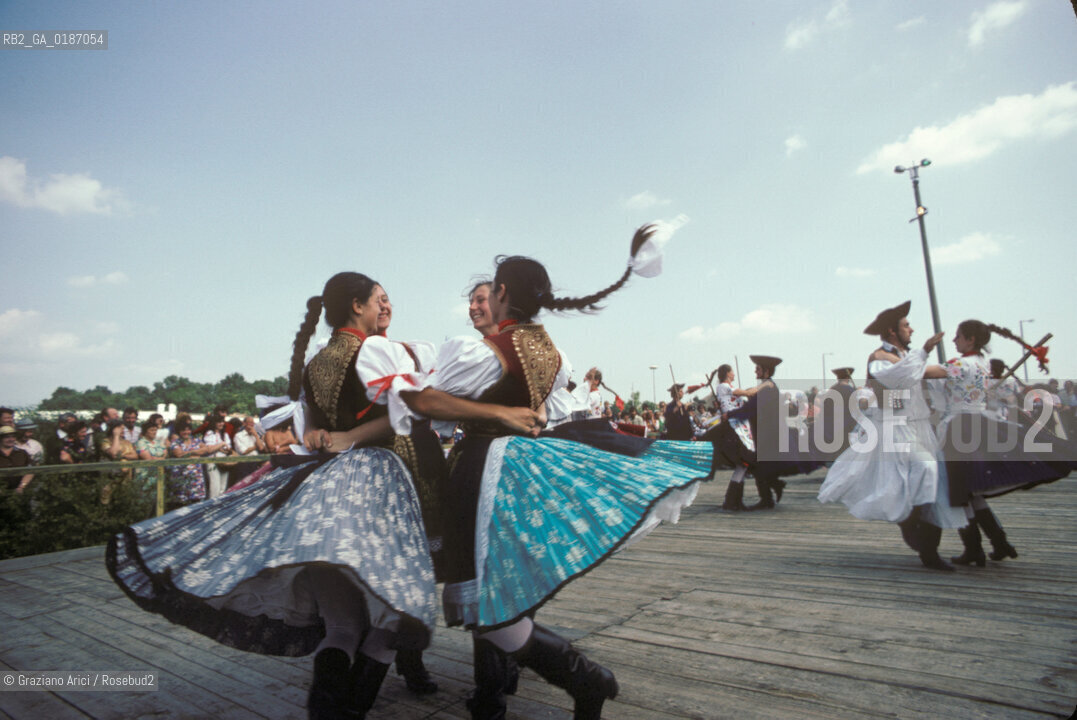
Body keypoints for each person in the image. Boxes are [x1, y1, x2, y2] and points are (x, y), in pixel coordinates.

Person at [108, 271, 537, 720]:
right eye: (378, 300)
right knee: (395, 611)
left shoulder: (318, 360)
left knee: (343, 625)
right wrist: (347, 435)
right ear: (358, 306)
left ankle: (333, 707)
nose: (382, 308)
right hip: (389, 484)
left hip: (327, 497)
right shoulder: (376, 350)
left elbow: (310, 426)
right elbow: (402, 411)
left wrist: (323, 435)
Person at [396, 228, 700, 720]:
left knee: (490, 604)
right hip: (520, 467)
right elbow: (546, 408)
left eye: (488, 292)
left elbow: (423, 402)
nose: (482, 301)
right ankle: (570, 682)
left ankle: (585, 680)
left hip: (484, 469)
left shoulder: (486, 349)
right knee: (499, 599)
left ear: (502, 294)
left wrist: (495, 414)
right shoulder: (548, 350)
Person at [818, 301, 966, 570]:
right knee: (925, 470)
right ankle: (911, 523)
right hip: (893, 427)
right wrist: (926, 351)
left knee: (935, 486)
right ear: (891, 331)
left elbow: (930, 373)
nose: (912, 329)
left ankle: (929, 551)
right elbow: (903, 376)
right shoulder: (879, 358)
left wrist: (969, 368)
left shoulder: (905, 357)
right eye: (906, 325)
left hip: (920, 426)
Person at [938, 321, 1076, 566]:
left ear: (970, 339)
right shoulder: (981, 364)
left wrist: (914, 357)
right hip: (983, 422)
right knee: (970, 490)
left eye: (958, 336)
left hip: (962, 427)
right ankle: (998, 542)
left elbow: (926, 374)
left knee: (961, 490)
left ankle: (975, 549)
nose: (954, 340)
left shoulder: (959, 364)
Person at [201, 412, 234, 498]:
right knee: (215, 486)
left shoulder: (225, 435)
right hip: (212, 462)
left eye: (222, 422)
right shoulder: (209, 433)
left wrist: (219, 447)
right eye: (219, 422)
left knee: (223, 487)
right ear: (214, 423)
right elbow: (209, 449)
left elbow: (228, 448)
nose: (221, 424)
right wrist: (222, 445)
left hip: (224, 462)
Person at [0, 425, 33, 493]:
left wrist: (22, 486)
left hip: (19, 494)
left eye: (13, 436)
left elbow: (30, 470)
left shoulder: (22, 453)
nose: (11, 439)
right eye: (7, 437)